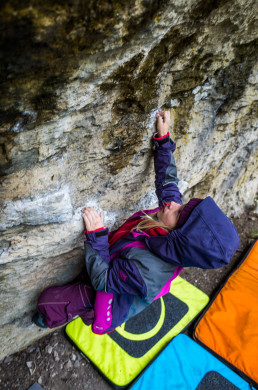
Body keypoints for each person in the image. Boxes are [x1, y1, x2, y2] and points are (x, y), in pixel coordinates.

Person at [32, 110, 240, 333]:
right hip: (119, 263)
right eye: (182, 206)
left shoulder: (150, 271)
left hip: (108, 293)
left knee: (48, 302)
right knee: (88, 276)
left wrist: (96, 238)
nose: (173, 204)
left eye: (179, 213)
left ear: (178, 239)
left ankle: (49, 318)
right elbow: (168, 182)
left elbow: (103, 280)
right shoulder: (172, 226)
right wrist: (163, 140)